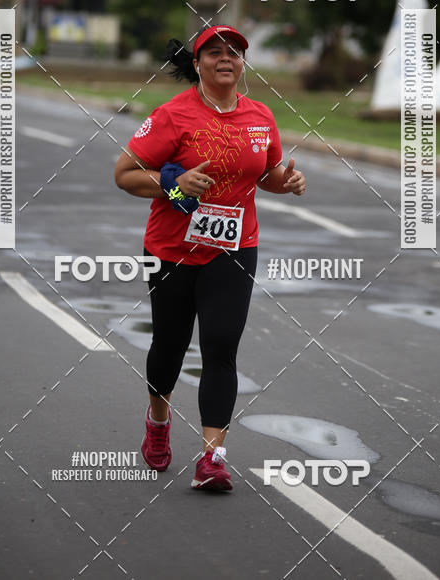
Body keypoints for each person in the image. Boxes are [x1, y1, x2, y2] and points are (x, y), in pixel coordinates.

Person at [114, 25, 306, 491]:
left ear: (243, 64)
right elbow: (124, 174)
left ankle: (212, 458)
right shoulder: (171, 115)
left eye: (235, 52)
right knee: (170, 346)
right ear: (197, 64)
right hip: (171, 249)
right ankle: (158, 421)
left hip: (234, 249)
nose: (227, 58)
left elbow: (269, 176)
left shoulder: (260, 116)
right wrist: (174, 185)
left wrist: (286, 183)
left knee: (221, 347)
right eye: (215, 52)